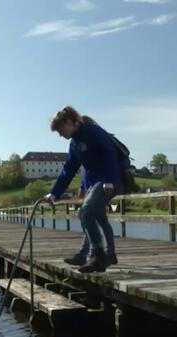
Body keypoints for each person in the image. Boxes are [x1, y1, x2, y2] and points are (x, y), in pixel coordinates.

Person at [43, 106, 121, 273]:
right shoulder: (74, 144)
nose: (60, 134)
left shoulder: (92, 131)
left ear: (70, 122)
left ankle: (97, 254)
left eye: (60, 130)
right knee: (92, 215)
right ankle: (97, 256)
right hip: (94, 184)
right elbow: (68, 170)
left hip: (108, 181)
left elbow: (109, 152)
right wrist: (54, 193)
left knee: (85, 212)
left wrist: (108, 180)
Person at [63, 116, 117, 267]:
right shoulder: (84, 146)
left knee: (94, 219)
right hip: (93, 188)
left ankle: (101, 254)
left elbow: (103, 166)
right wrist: (82, 188)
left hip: (102, 187)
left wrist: (103, 188)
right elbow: (87, 172)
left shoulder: (95, 140)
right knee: (94, 220)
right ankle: (96, 254)